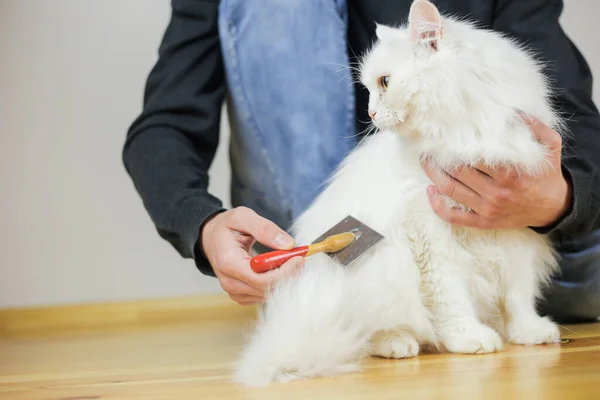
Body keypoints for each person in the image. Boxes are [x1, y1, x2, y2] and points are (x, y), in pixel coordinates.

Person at [123, 0, 600, 322]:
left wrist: (558, 199)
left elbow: (574, 116)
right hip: (327, 248)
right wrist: (202, 226)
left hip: (503, 237)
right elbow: (164, 125)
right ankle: (340, 284)